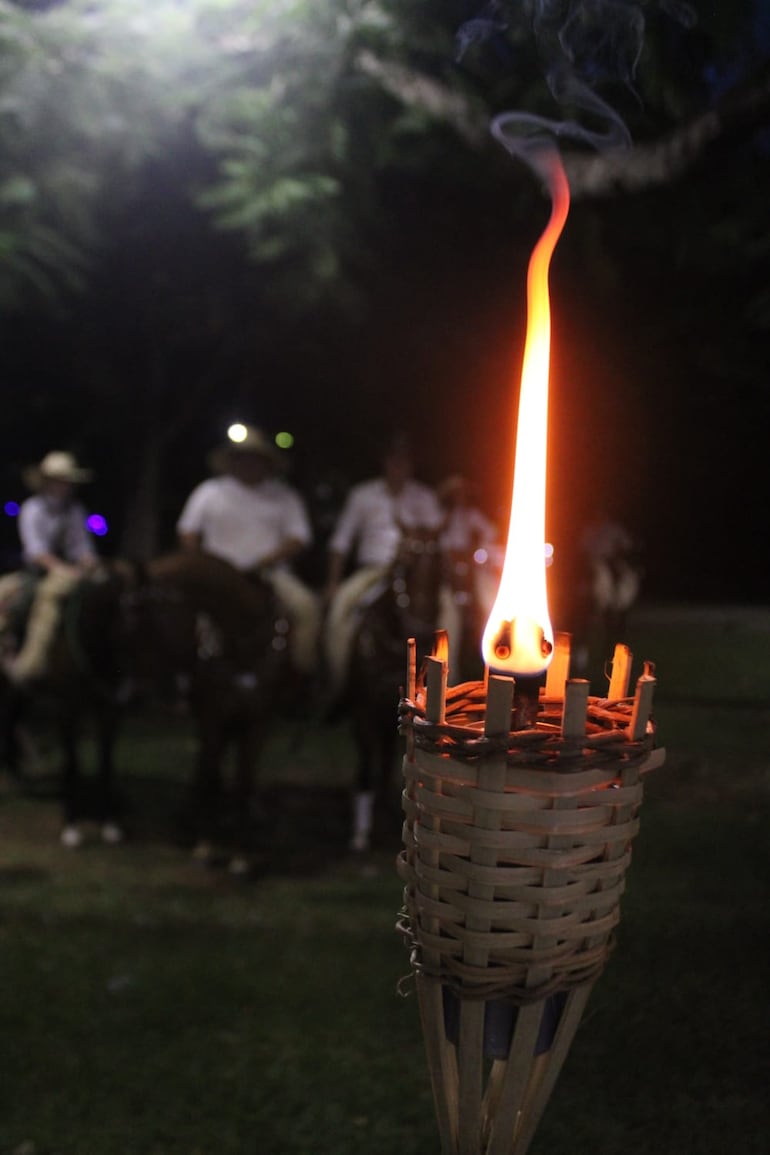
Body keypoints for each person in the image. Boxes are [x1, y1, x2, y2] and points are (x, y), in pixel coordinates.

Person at [176, 425, 320, 674]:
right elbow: (187, 531)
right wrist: (200, 563)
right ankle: (179, 677)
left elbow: (299, 537)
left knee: (307, 608)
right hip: (215, 574)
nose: (248, 463)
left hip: (271, 574)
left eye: (255, 458)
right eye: (242, 457)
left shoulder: (284, 496)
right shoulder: (209, 492)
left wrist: (265, 560)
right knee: (175, 609)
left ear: (266, 462)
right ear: (233, 460)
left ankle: (301, 676)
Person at [323, 436, 445, 692]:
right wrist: (334, 582)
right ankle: (337, 685)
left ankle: (448, 692)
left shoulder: (425, 497)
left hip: (418, 577)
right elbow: (341, 542)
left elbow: (437, 539)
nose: (399, 466)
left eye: (405, 460)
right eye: (394, 459)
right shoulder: (362, 495)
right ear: (385, 462)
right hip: (374, 570)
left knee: (449, 615)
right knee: (340, 612)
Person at [7, 450, 101, 684]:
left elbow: (81, 546)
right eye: (60, 480)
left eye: (68, 481)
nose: (65, 486)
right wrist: (62, 569)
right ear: (47, 482)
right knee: (37, 598)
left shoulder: (75, 510)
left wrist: (88, 561)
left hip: (70, 572)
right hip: (38, 573)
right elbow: (36, 552)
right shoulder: (32, 509)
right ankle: (27, 665)